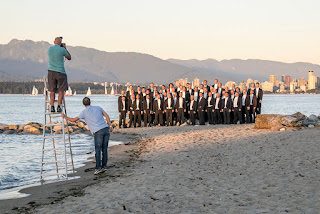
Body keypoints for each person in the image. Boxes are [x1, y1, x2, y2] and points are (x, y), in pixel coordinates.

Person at [64, 97, 112, 175]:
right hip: (105, 129)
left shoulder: (84, 112)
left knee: (98, 150)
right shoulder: (98, 108)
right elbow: (107, 116)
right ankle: (104, 166)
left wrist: (65, 117)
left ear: (83, 104)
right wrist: (110, 125)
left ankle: (98, 168)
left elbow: (73, 120)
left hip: (98, 131)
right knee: (104, 149)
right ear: (90, 102)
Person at [48, 37, 71, 113]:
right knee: (61, 90)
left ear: (54, 41)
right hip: (61, 72)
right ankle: (58, 106)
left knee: (52, 90)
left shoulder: (50, 49)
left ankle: (51, 107)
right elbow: (69, 57)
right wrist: (65, 48)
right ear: (60, 43)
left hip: (51, 72)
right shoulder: (62, 50)